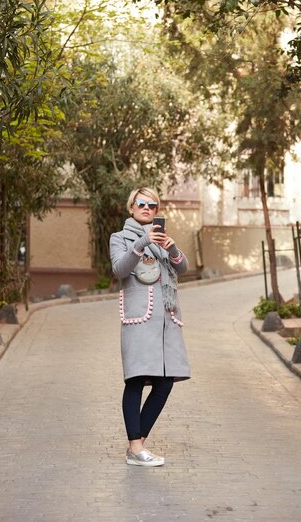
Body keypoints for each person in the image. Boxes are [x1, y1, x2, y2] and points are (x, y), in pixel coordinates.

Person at [110, 186, 190, 467]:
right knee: (135, 380)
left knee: (165, 382)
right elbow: (119, 269)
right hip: (139, 319)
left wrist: (173, 248)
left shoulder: (163, 240)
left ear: (157, 211)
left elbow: (183, 268)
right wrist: (141, 242)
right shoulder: (119, 238)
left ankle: (137, 445)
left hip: (166, 321)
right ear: (131, 208)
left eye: (152, 205)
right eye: (141, 203)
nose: (147, 208)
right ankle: (135, 447)